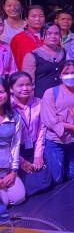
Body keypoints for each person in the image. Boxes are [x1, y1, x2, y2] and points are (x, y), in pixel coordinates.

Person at [9, 72, 54, 196]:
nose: (25, 88)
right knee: (30, 186)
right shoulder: (7, 107)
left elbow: (42, 130)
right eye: (20, 85)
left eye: (28, 84)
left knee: (46, 182)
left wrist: (38, 156)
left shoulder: (39, 103)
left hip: (35, 147)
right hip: (15, 152)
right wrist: (21, 161)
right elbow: (8, 141)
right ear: (11, 89)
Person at [40, 61, 74, 184]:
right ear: (60, 75)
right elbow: (49, 119)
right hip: (56, 140)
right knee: (56, 179)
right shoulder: (50, 92)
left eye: (73, 72)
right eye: (66, 73)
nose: (70, 75)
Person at [22, 23, 66, 98]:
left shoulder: (65, 52)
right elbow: (27, 82)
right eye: (49, 33)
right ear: (42, 36)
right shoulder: (32, 56)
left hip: (63, 97)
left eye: (56, 33)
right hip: (41, 99)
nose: (53, 36)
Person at [0, 77, 25, 208]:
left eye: (1, 92)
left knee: (18, 197)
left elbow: (15, 145)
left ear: (7, 94)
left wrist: (13, 171)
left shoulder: (15, 117)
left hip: (6, 169)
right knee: (3, 202)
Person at [10, 5, 45, 71]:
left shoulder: (50, 37)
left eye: (41, 16)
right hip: (26, 78)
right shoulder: (18, 39)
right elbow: (13, 63)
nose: (37, 19)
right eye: (33, 16)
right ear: (26, 19)